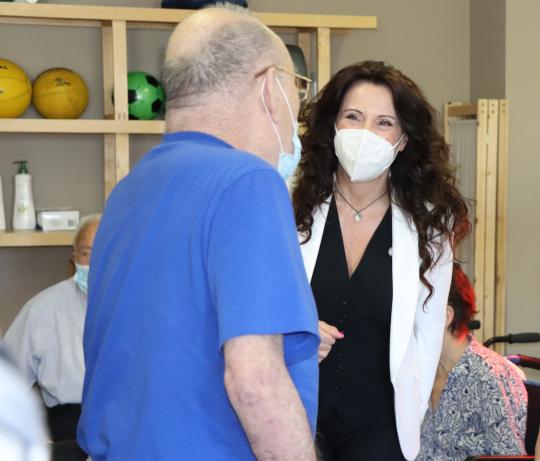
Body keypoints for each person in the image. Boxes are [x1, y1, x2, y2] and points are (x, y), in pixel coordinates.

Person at [78, 5, 319, 461]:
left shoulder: (130, 189)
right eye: (296, 91)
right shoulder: (248, 181)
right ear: (270, 87)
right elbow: (255, 383)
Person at [291, 60, 469, 460]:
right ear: (333, 125)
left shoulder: (428, 225)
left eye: (383, 123)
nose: (365, 133)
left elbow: (427, 336)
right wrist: (294, 332)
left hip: (382, 431)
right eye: (353, 117)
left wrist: (415, 414)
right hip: (296, 417)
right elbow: (259, 306)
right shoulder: (292, 207)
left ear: (403, 139)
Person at [2, 214, 100, 444]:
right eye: (86, 254)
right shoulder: (43, 308)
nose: (95, 263)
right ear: (74, 258)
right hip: (67, 432)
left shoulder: (141, 307)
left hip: (128, 432)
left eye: (103, 252)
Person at [417, 263, 527, 460]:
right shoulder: (419, 370)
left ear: (446, 316)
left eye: (414, 309)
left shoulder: (488, 377)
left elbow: (509, 456)